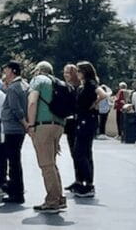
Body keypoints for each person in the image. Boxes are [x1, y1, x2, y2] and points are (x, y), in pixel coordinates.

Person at [28, 61, 67, 213]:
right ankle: (59, 197)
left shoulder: (38, 80)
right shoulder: (58, 83)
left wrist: (31, 125)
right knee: (51, 163)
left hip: (43, 125)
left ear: (38, 70)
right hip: (58, 125)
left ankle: (52, 201)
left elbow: (32, 102)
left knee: (45, 165)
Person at [71, 62, 107, 198]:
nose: (77, 73)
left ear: (84, 72)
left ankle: (88, 184)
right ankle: (86, 182)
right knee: (85, 152)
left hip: (87, 120)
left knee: (80, 152)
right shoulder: (84, 86)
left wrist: (94, 103)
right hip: (84, 119)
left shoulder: (90, 84)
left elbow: (103, 94)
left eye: (79, 71)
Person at [0, 61, 29, 204]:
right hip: (18, 129)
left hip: (13, 128)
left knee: (13, 161)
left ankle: (16, 192)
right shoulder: (24, 85)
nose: (5, 71)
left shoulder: (13, 88)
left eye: (6, 69)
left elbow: (16, 109)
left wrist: (24, 123)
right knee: (15, 160)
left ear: (12, 71)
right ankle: (16, 189)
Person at [61, 64, 80, 192]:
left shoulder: (78, 88)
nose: (65, 74)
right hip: (69, 124)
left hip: (77, 124)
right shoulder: (67, 87)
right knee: (74, 153)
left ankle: (81, 180)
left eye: (68, 72)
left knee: (79, 153)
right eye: (65, 72)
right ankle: (77, 179)